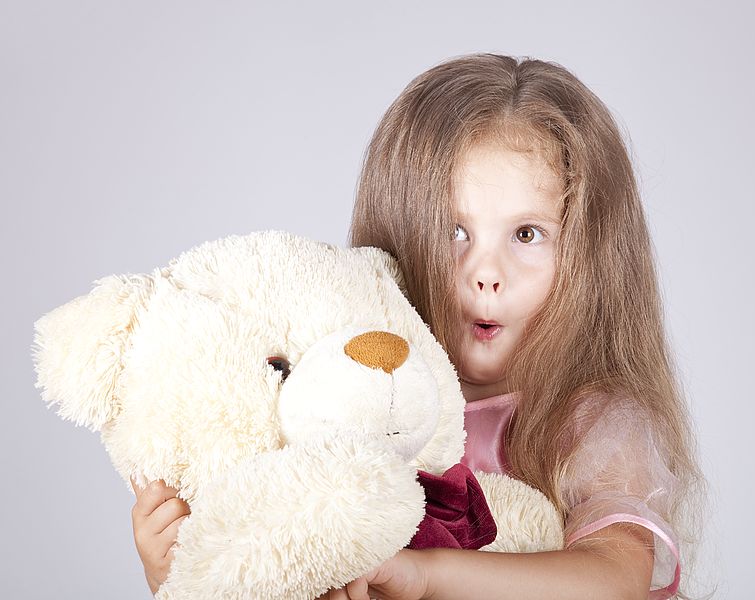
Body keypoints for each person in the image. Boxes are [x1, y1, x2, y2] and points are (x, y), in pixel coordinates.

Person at [131, 53, 704, 599]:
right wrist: (182, 571)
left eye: (526, 234)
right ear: (399, 239)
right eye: (455, 232)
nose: (486, 273)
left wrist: (426, 576)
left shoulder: (592, 422)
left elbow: (614, 577)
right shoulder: (346, 400)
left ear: (591, 256)